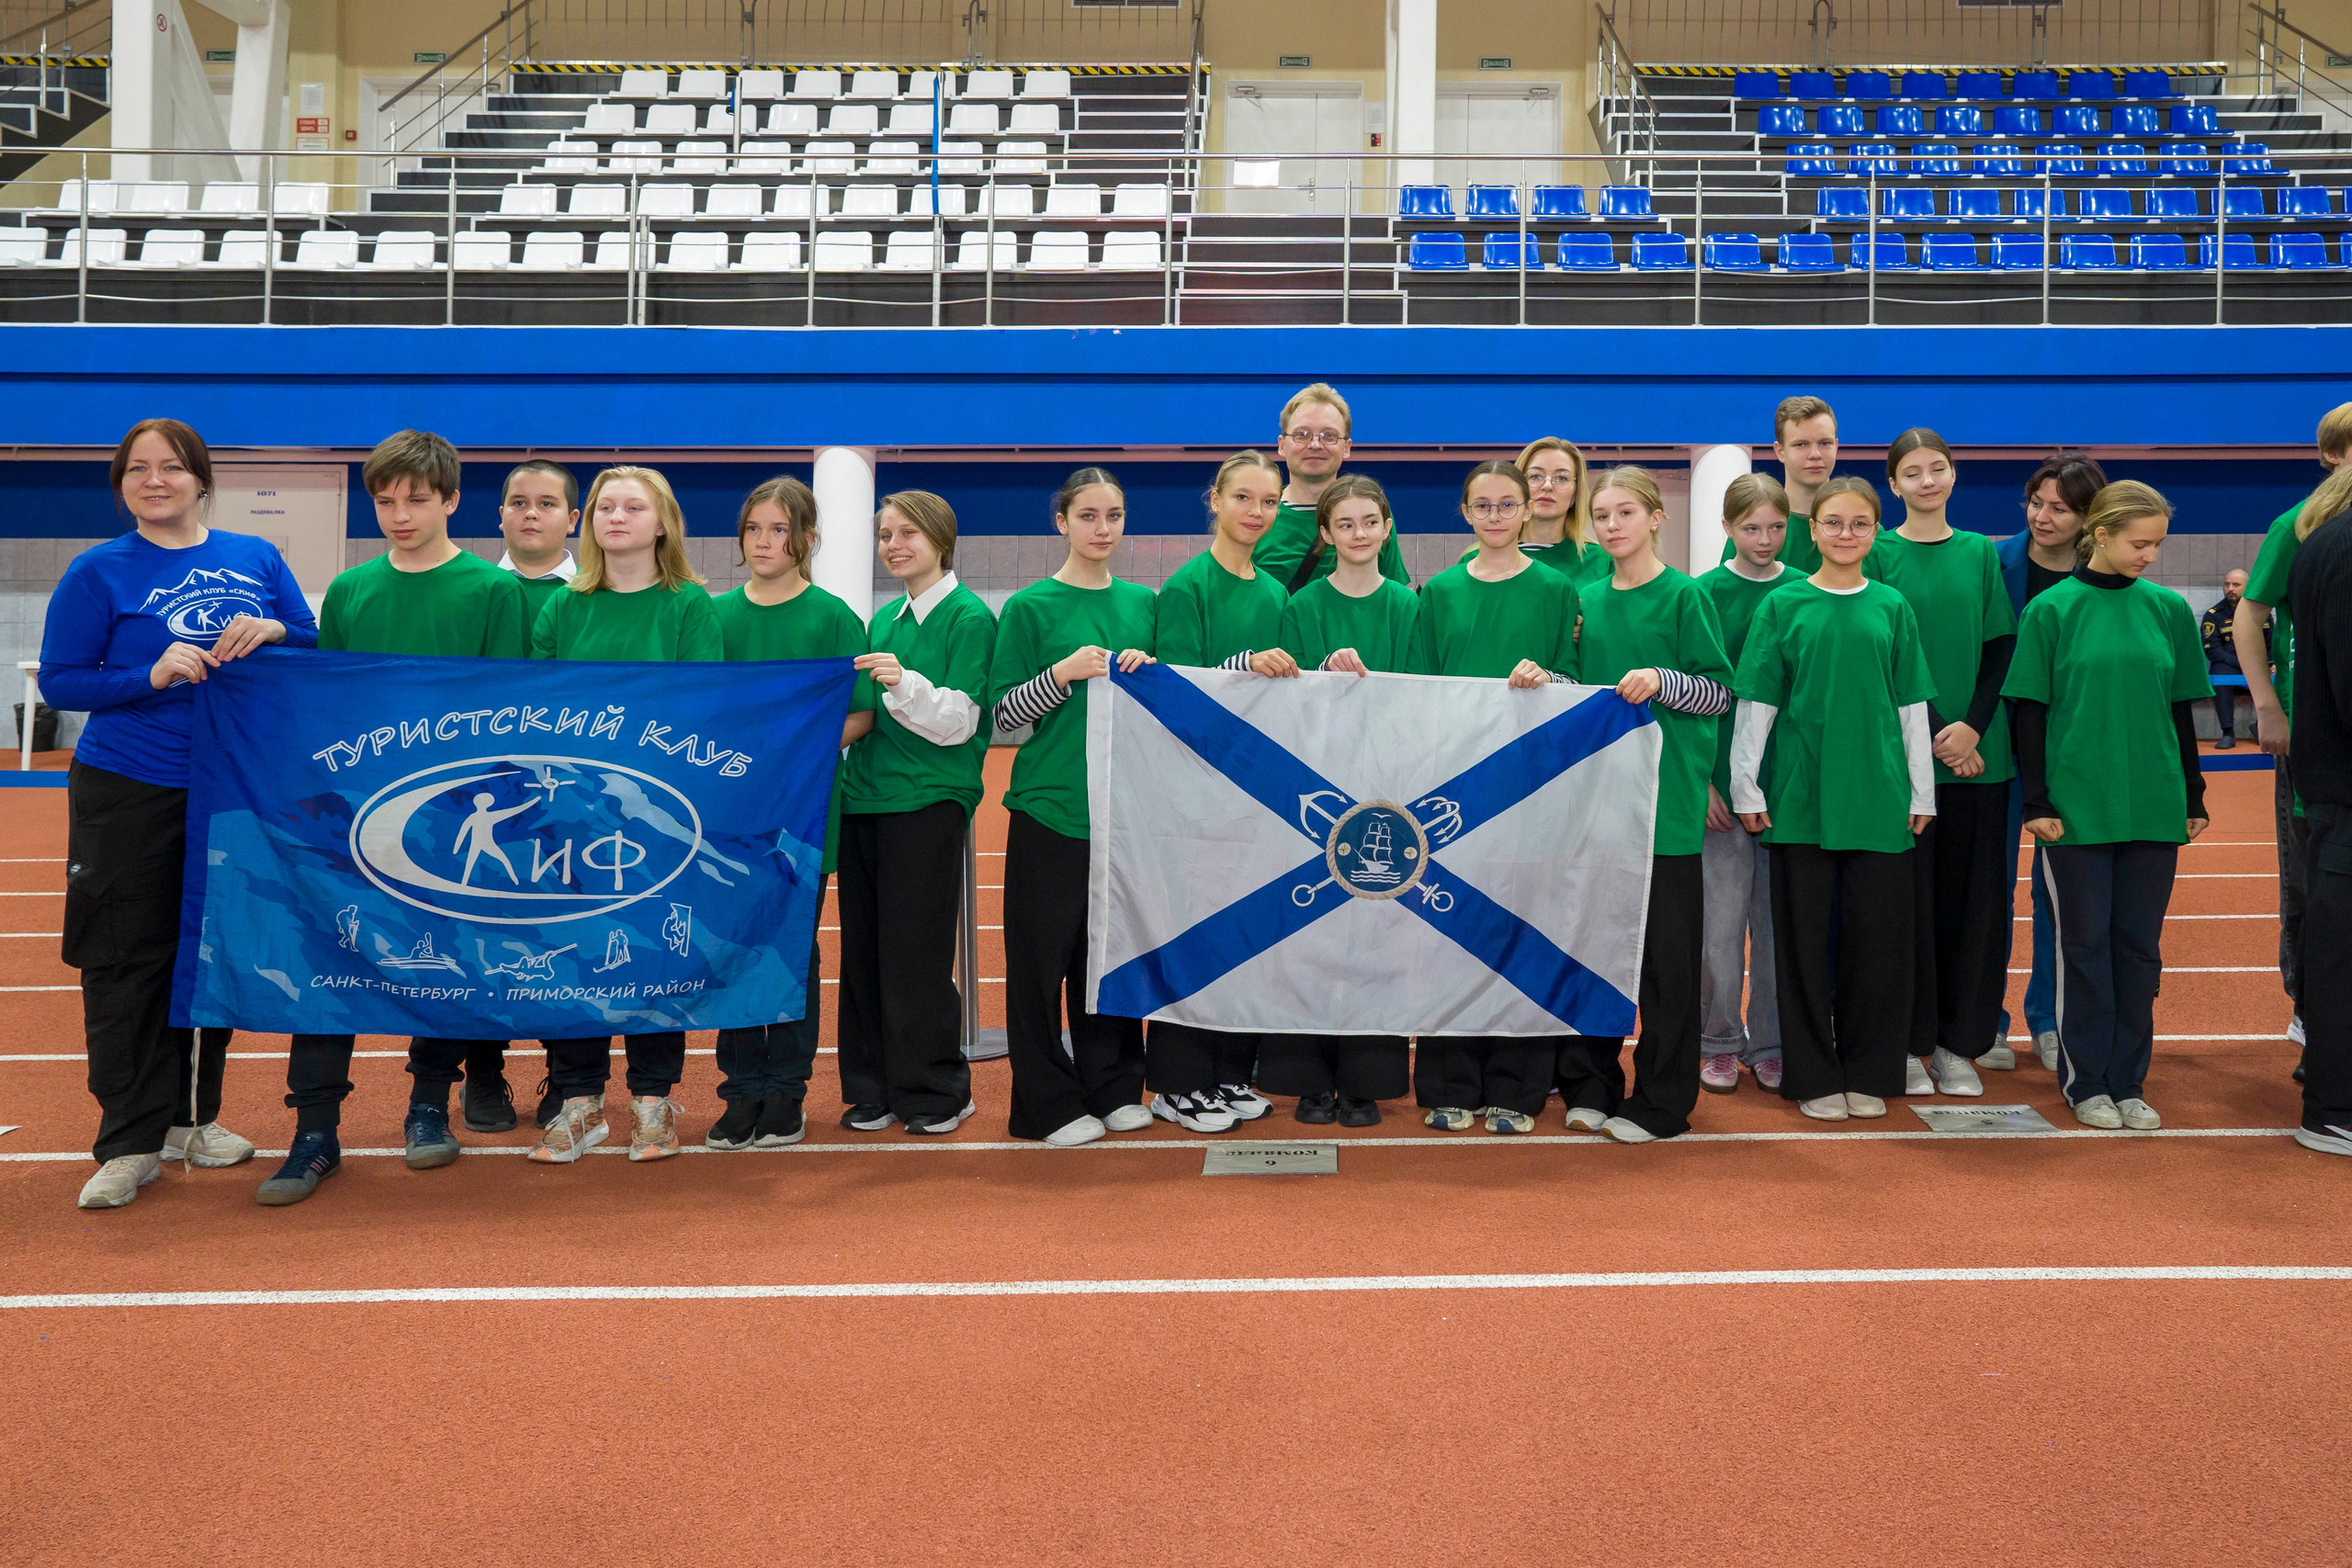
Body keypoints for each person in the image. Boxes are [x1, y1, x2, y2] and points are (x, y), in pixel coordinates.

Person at [40, 417, 315, 1210]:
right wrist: (148, 674)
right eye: (137, 469)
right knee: (127, 957)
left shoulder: (255, 557)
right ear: (121, 483)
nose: (154, 480)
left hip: (231, 784)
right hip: (129, 786)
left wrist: (276, 627)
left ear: (201, 479)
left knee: (210, 952)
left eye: (170, 467)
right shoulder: (98, 571)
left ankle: (192, 1119)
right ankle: (128, 1140)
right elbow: (61, 680)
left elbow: (309, 639)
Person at [254, 430, 535, 1204]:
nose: (400, 513)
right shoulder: (350, 591)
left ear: (451, 499)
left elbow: (506, 711)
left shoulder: (494, 590)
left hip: (445, 816)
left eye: (416, 499)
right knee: (328, 957)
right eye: (385, 500)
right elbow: (330, 705)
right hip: (355, 817)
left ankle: (428, 1106)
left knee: (443, 959)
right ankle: (315, 1130)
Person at [527, 465, 723, 1164]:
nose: (616, 517)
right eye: (606, 506)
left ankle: (652, 1099)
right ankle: (579, 1100)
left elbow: (700, 712)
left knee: (653, 953)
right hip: (572, 818)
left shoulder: (690, 606)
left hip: (653, 815)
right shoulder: (563, 607)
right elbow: (537, 711)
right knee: (574, 954)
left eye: (632, 507)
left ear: (662, 523)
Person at [2006, 481, 2211, 1131]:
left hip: (2153, 803)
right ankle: (2086, 1081)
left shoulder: (2167, 610)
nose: (2150, 555)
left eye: (2157, 544)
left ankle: (2129, 1081)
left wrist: (2194, 793)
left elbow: (2181, 710)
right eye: (2139, 543)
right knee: (2085, 948)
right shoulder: (2050, 610)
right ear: (2099, 534)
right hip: (2075, 810)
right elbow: (2029, 713)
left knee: (2139, 952)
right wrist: (2035, 801)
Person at [1730, 477, 1937, 1123]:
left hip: (1879, 797)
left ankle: (1870, 1070)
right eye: (1834, 523)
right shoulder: (1783, 605)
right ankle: (1813, 1074)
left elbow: (1910, 707)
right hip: (1802, 797)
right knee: (1802, 947)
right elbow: (1757, 703)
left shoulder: (1893, 606)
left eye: (1860, 524)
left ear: (1875, 532)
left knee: (1876, 946)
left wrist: (1923, 790)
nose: (1846, 534)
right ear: (1813, 530)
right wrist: (1745, 784)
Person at [1408, 459, 1583, 1134]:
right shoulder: (1439, 591)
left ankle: (1518, 1085)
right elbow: (1419, 692)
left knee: (1522, 932)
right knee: (1450, 933)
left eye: (1507, 504)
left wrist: (1550, 678)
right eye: (1483, 505)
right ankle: (1449, 1083)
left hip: (1530, 791)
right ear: (1466, 512)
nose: (1496, 516)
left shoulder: (1557, 589)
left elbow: (1578, 684)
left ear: (1526, 508)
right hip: (1453, 795)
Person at [1560, 468, 1733, 1144]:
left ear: (1656, 517)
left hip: (1665, 810)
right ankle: (1592, 1084)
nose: (1611, 525)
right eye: (1601, 515)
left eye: (1625, 512)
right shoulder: (1585, 599)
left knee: (1667, 964)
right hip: (1598, 811)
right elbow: (1574, 691)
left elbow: (1720, 694)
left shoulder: (1686, 595)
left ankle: (1662, 1100)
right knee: (1593, 954)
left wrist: (1664, 680)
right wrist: (1546, 679)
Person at [706, 476, 876, 1151]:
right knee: (733, 945)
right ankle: (740, 1087)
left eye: (780, 530)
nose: (765, 542)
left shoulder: (832, 617)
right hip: (729, 817)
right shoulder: (715, 616)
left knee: (790, 949)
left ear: (806, 538)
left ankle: (786, 1090)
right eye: (754, 529)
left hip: (802, 816)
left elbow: (861, 714)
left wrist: (788, 756)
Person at [988, 468, 1157, 1146]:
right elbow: (1003, 715)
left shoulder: (1144, 603)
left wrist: (1148, 672)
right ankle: (1045, 1104)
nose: (1102, 528)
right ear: (1061, 521)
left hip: (1121, 812)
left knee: (1110, 957)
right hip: (1050, 807)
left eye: (1114, 514)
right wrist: (1061, 674)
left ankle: (1113, 1086)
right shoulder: (1029, 607)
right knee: (1039, 965)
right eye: (1088, 515)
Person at [835, 491, 998, 1136]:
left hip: (928, 802)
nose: (894, 545)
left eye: (908, 533)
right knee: (864, 957)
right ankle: (871, 1087)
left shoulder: (970, 617)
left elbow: (961, 721)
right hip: (864, 800)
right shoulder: (884, 620)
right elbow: (862, 717)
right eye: (886, 535)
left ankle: (935, 1089)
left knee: (916, 958)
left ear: (941, 540)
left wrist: (904, 682)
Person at [1145, 451, 1298, 1133]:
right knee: (1192, 935)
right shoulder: (1187, 587)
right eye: (1243, 497)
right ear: (1215, 499)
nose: (1256, 512)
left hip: (1256, 795)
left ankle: (1229, 1071)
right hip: (1196, 792)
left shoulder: (1276, 594)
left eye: (1269, 501)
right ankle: (1178, 1083)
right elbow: (1178, 693)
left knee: (1245, 935)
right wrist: (1243, 664)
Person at [1264, 474, 1419, 1126]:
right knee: (1312, 933)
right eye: (1345, 524)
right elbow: (1285, 702)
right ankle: (1308, 1078)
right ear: (1325, 533)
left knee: (1376, 931)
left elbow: (1423, 695)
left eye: (1370, 522)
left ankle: (1366, 1079)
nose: (1359, 533)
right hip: (1320, 786)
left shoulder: (1410, 606)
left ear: (1387, 528)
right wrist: (1323, 674)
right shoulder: (1301, 606)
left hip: (1386, 783)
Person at [1869, 430, 2017, 1100]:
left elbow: (2000, 646)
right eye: (1912, 472)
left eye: (1938, 469)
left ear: (1954, 475)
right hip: (1904, 761)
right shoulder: (1877, 551)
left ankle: (1960, 1045)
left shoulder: (1980, 551)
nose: (1927, 481)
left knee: (1973, 911)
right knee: (1905, 911)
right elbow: (1883, 652)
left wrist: (1972, 727)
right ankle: (1907, 1041)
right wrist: (1935, 733)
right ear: (1893, 483)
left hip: (1978, 762)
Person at [2234, 403, 2352, 1067]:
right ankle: (2309, 1012)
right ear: (2333, 454)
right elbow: (2249, 615)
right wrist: (2267, 706)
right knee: (2310, 882)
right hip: (2312, 732)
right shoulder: (2299, 524)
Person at [1995, 454, 2108, 1072]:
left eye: (2060, 508)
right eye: (2035, 503)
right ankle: (1984, 1019)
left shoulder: (2102, 579)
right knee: (1989, 893)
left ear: (2089, 517)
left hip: (2065, 757)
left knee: (2058, 897)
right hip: (1992, 750)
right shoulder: (1994, 563)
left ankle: (2047, 1016)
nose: (2042, 516)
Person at [1700, 473, 1799, 1094]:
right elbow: (1696, 695)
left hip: (1788, 788)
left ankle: (1770, 1041)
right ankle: (1716, 1040)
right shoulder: (1704, 592)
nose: (1764, 539)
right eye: (1751, 528)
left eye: (1776, 527)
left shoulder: (1804, 589)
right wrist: (1705, 782)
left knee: (1777, 928)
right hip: (1719, 792)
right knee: (1718, 929)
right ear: (1728, 528)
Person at [2282, 466, 2352, 1156]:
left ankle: (2333, 1101)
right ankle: (2335, 1106)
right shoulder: (2343, 545)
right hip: (2345, 785)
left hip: (2333, 783)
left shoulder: (2326, 537)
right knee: (2340, 950)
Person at [1250, 382, 1410, 592]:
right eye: (1302, 434)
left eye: (1329, 436)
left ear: (1346, 447)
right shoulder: (1257, 514)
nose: (1315, 445)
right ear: (1282, 445)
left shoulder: (1371, 513)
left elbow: (1393, 597)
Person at [1718, 395, 1838, 571]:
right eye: (1801, 445)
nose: (1815, 454)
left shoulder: (1862, 530)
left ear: (1836, 446)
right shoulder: (1750, 527)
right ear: (1780, 451)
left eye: (1825, 443)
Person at [2202, 569, 2252, 749]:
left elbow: (2270, 643)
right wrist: (2242, 664)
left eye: (2236, 585)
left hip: (2256, 666)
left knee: (2281, 675)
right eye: (2227, 584)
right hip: (2229, 665)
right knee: (2220, 675)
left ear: (2247, 586)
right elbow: (2212, 651)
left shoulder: (2259, 612)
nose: (2230, 589)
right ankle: (2228, 733)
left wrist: (2271, 663)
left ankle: (2262, 726)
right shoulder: (2213, 615)